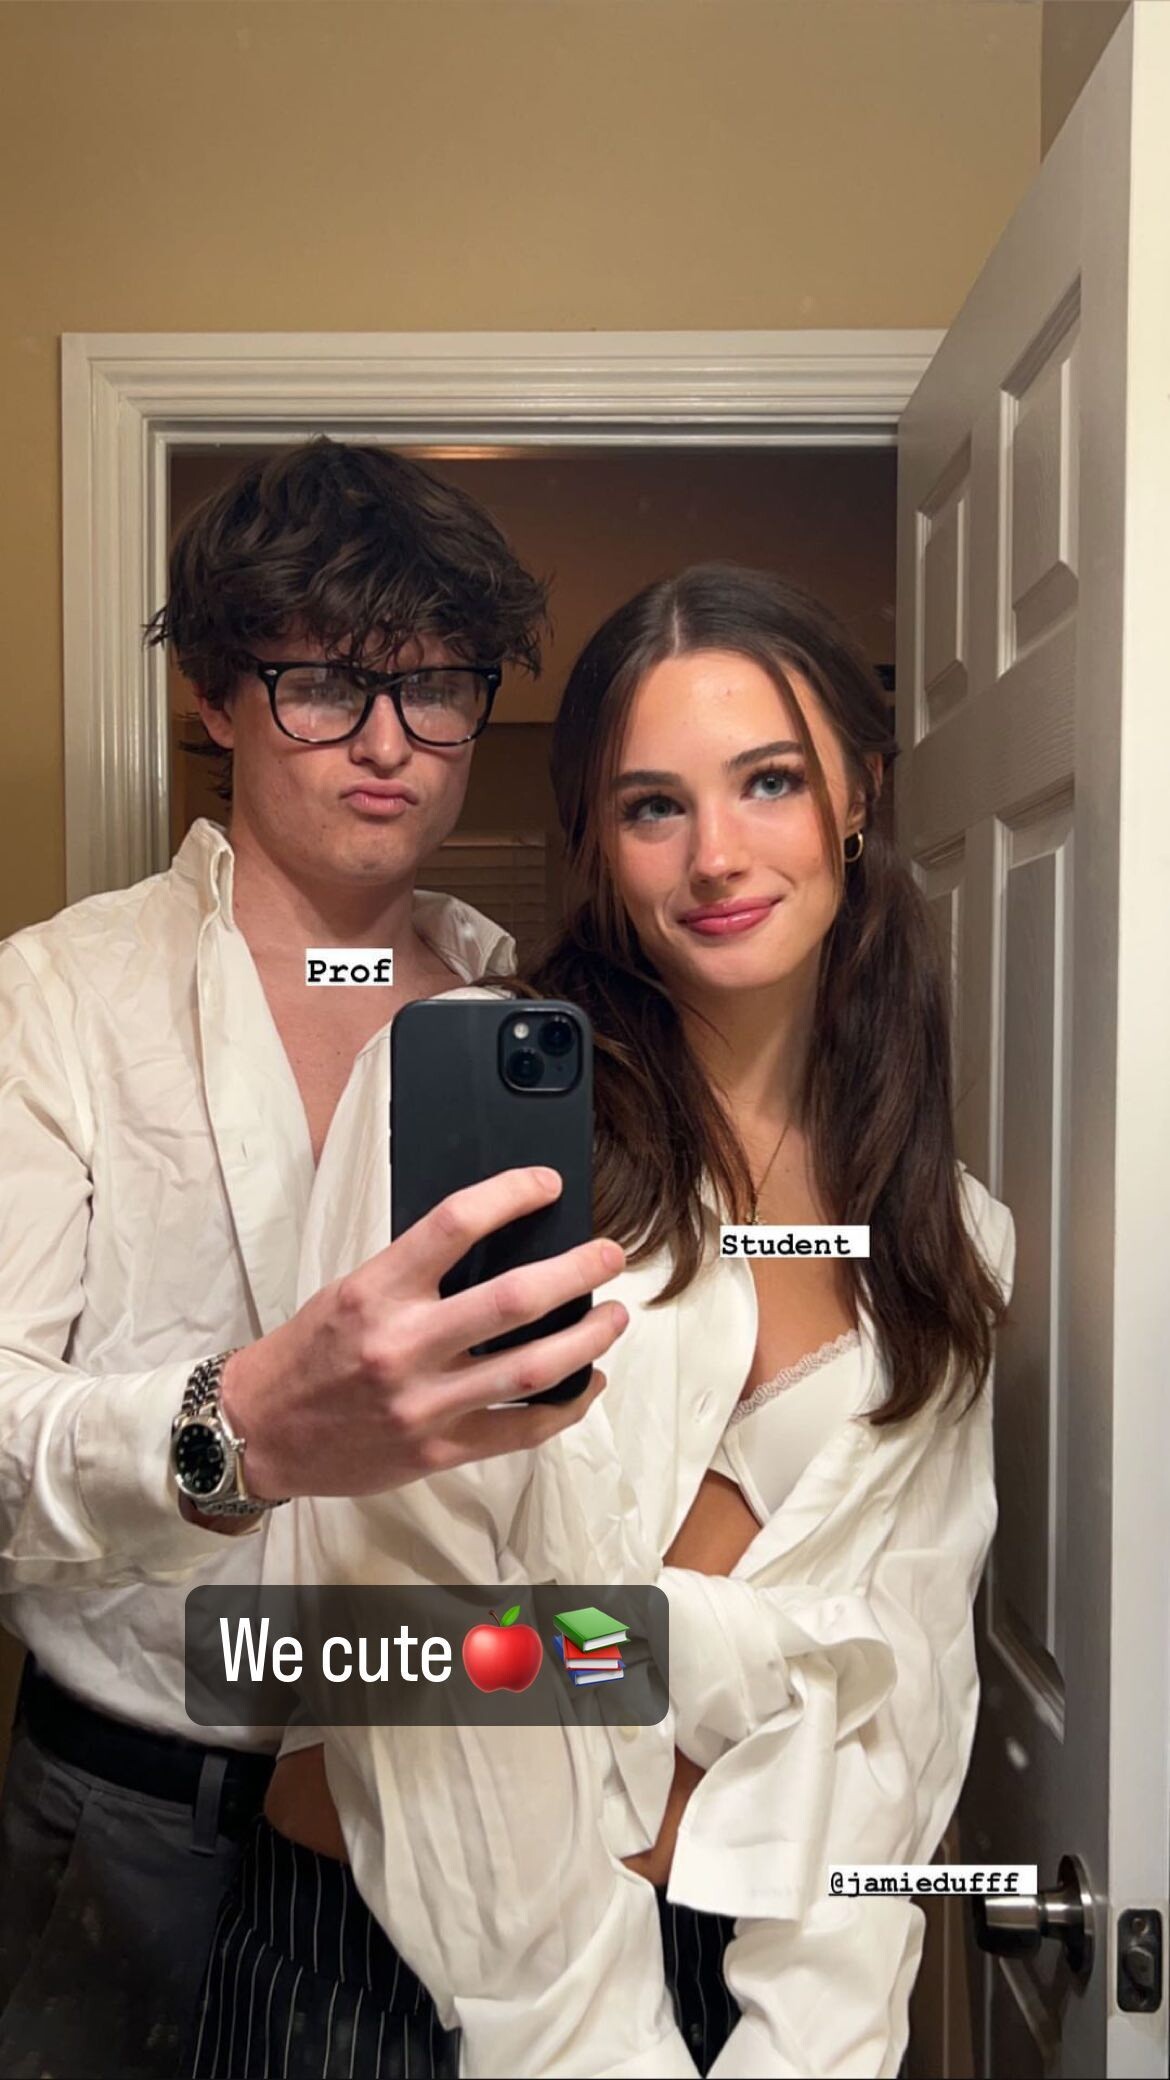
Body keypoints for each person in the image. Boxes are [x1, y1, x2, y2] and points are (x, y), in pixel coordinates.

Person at [192, 563, 1015, 2078]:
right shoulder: (464, 1100)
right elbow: (409, 1627)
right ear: (595, 839)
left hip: (726, 1984)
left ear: (856, 790)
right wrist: (589, 2040)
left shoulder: (948, 1233)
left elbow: (900, 1697)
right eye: (651, 806)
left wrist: (811, 2049)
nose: (715, 855)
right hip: (401, 1974)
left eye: (768, 781)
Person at [0, 438, 633, 2079]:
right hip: (139, 1799)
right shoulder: (57, 1000)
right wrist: (239, 1432)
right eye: (327, 684)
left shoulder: (531, 1022)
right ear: (214, 695)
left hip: (461, 1782)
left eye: (437, 688)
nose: (390, 741)